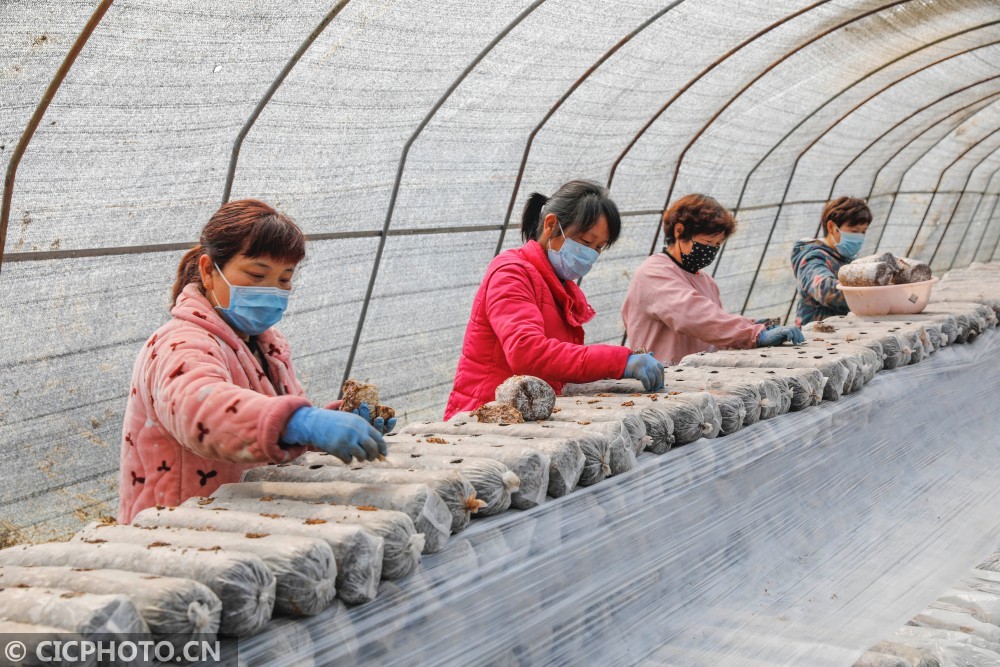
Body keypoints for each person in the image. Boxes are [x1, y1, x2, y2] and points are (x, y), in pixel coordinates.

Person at [119, 199, 393, 523]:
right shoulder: (180, 343)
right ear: (208, 271)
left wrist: (326, 421)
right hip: (177, 528)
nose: (272, 291)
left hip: (242, 523)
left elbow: (269, 431)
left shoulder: (266, 346)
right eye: (257, 274)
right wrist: (299, 422)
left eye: (284, 279)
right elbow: (202, 408)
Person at [444, 180, 664, 420]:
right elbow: (525, 351)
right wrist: (618, 361)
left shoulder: (559, 286)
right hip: (485, 417)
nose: (591, 254)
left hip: (524, 416)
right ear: (551, 225)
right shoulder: (510, 272)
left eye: (599, 247)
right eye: (586, 242)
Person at [621, 194, 804, 365]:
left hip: (694, 378)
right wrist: (752, 333)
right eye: (707, 243)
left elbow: (713, 330)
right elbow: (692, 315)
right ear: (679, 231)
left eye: (717, 245)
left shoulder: (706, 281)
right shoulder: (653, 273)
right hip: (660, 379)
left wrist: (752, 325)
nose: (712, 250)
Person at [791, 196, 872, 325]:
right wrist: (872, 295)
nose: (859, 237)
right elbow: (824, 289)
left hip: (841, 333)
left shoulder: (846, 259)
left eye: (863, 232)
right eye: (854, 231)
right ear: (831, 227)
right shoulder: (813, 258)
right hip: (815, 336)